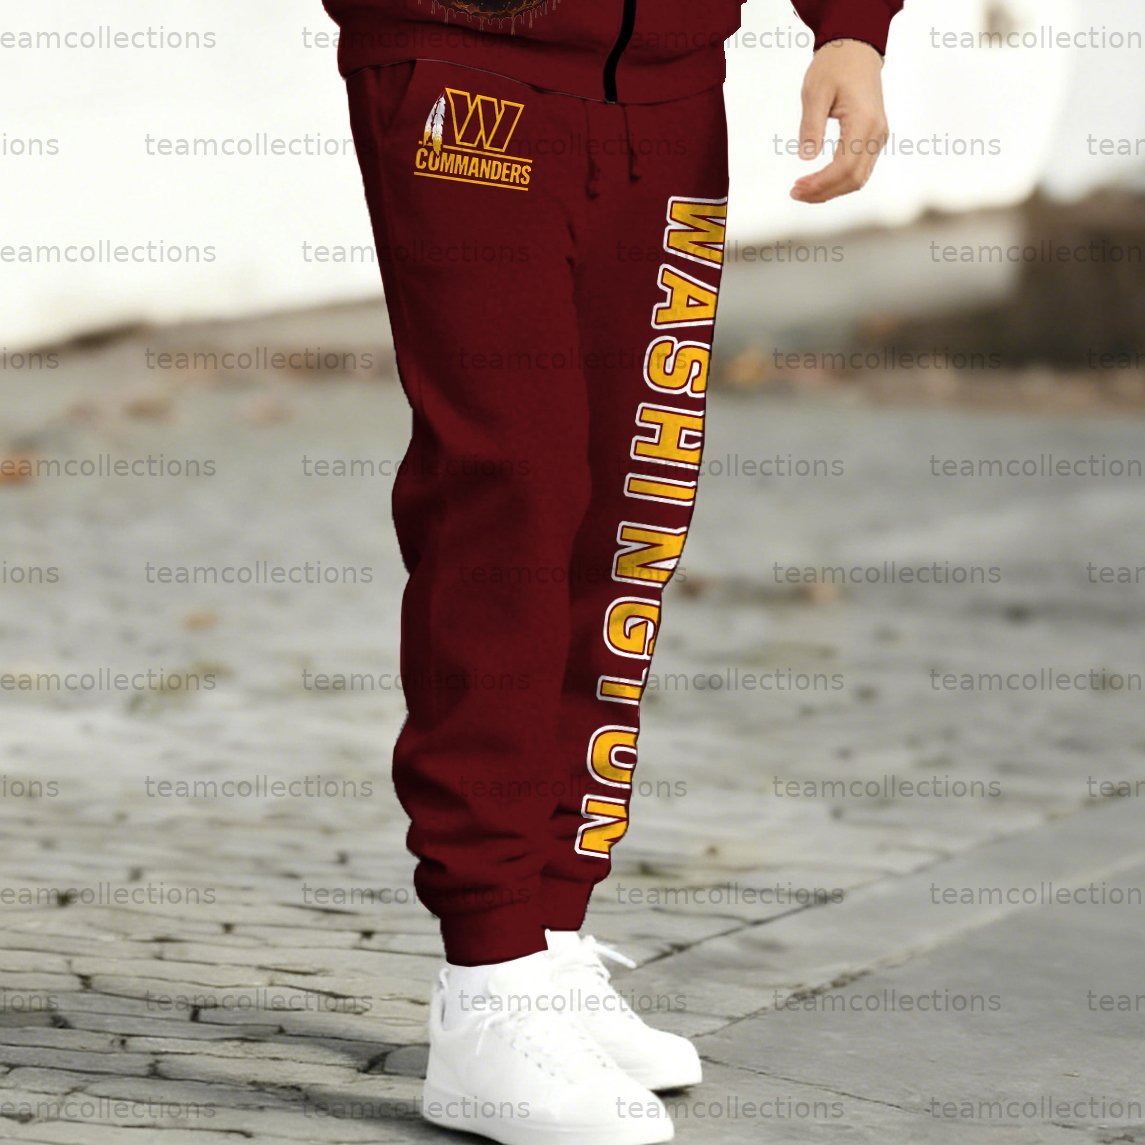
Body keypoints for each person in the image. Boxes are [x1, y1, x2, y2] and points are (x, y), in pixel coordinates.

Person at [324, 2, 902, 1140]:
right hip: (467, 66)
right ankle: (488, 975)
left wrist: (850, 27)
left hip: (670, 86)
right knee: (510, 490)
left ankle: (547, 935)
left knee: (631, 503)